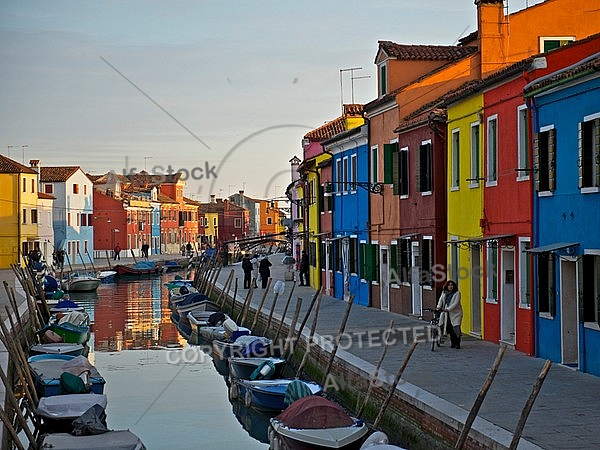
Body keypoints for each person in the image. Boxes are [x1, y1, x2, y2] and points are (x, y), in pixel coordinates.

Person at [436, 280, 463, 349]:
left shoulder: (457, 293)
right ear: (446, 286)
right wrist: (438, 307)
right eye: (449, 285)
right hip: (446, 314)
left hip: (456, 313)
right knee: (450, 328)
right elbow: (441, 300)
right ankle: (453, 342)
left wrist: (448, 309)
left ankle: (457, 343)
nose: (450, 286)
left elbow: (455, 303)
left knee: (456, 327)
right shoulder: (444, 293)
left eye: (452, 285)